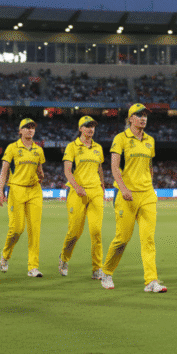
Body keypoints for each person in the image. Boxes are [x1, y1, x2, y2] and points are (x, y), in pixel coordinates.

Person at [100, 103, 167, 293]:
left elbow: (150, 166)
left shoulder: (150, 140)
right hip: (126, 196)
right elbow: (114, 167)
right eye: (139, 115)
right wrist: (123, 188)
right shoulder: (121, 138)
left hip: (146, 196)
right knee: (122, 239)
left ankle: (151, 281)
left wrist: (150, 186)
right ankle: (106, 272)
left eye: (145, 115)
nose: (143, 118)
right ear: (130, 119)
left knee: (148, 240)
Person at [0, 118, 46, 277]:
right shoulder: (12, 148)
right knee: (17, 229)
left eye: (32, 127)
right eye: (26, 127)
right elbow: (4, 171)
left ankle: (33, 267)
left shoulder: (38, 150)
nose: (30, 130)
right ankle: (5, 256)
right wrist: (0, 191)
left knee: (34, 230)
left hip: (34, 191)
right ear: (20, 131)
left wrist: (41, 174)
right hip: (17, 190)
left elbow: (40, 170)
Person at [58, 116, 106, 278]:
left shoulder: (98, 147)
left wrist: (103, 187)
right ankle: (64, 258)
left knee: (96, 231)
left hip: (95, 192)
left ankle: (97, 268)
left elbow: (99, 169)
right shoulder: (72, 147)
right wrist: (77, 187)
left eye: (92, 126)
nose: (90, 129)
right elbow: (67, 171)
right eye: (87, 126)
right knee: (74, 232)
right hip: (77, 193)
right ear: (80, 129)